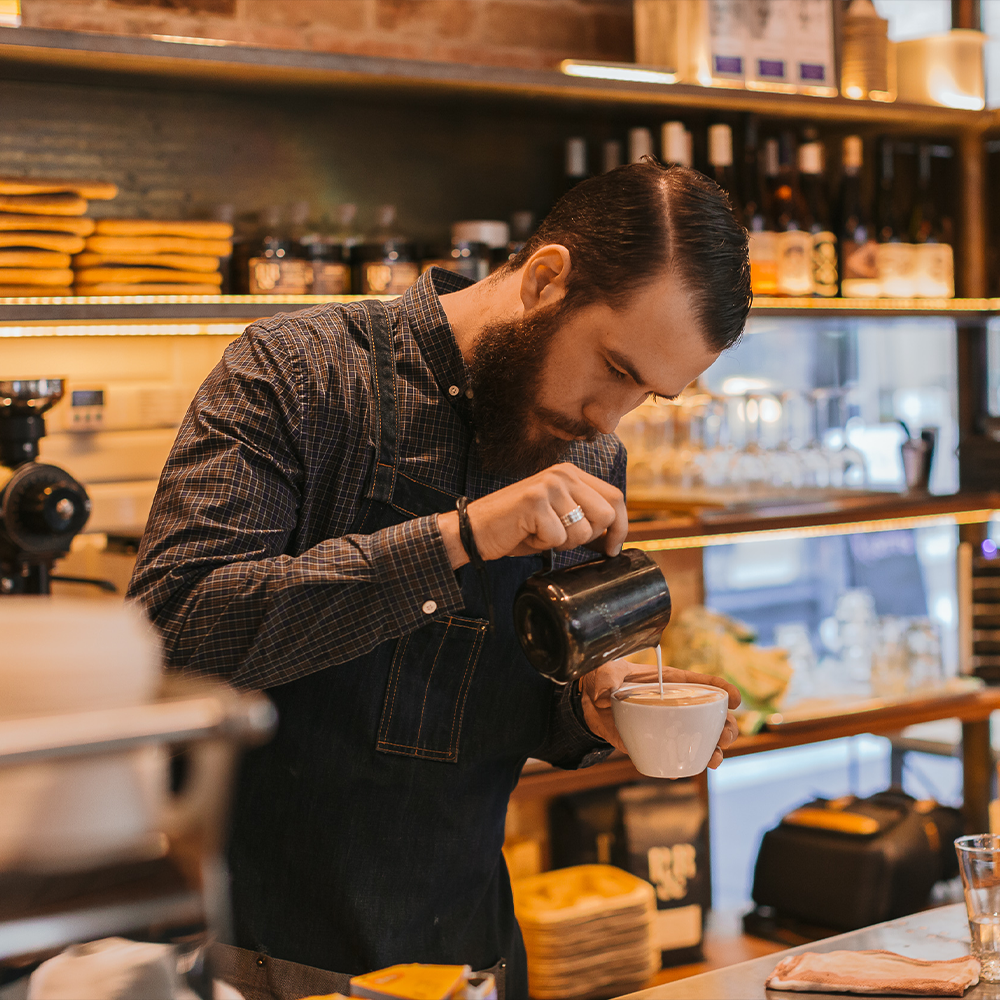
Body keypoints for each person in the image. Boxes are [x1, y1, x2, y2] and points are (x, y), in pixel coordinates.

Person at [127, 160, 752, 1000]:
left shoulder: (590, 450)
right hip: (248, 964)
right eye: (614, 367)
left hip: (466, 964)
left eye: (649, 395)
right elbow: (171, 636)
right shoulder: (297, 374)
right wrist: (460, 536)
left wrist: (597, 708)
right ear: (545, 278)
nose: (612, 416)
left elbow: (520, 694)